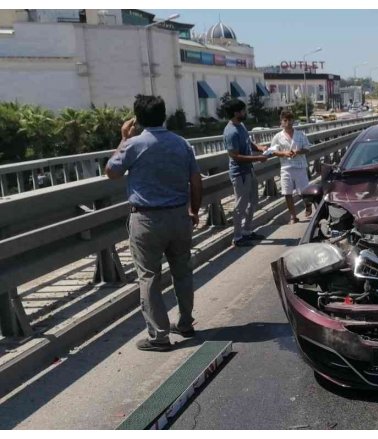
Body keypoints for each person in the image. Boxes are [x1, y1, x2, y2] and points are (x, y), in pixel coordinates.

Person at [105, 95, 202, 352]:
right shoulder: (182, 144)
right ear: (164, 115)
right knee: (182, 272)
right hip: (179, 216)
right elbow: (196, 181)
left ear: (137, 119)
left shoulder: (134, 144)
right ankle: (185, 323)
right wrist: (194, 210)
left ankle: (159, 336)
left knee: (149, 276)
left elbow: (112, 172)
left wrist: (124, 138)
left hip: (147, 219)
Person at [223, 99, 269, 247]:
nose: (245, 112)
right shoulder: (231, 132)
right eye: (243, 110)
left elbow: (248, 142)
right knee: (240, 206)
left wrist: (259, 148)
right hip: (239, 173)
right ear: (236, 113)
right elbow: (235, 156)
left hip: (249, 170)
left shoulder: (241, 126)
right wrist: (258, 158)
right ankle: (237, 237)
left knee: (254, 201)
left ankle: (247, 231)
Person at [265, 110, 313, 224]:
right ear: (281, 122)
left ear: (293, 121)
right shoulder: (277, 137)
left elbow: (308, 148)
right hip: (286, 167)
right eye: (285, 120)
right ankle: (293, 216)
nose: (288, 122)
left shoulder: (300, 134)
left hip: (300, 166)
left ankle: (308, 205)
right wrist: (284, 153)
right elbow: (272, 152)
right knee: (287, 192)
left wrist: (298, 151)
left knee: (304, 192)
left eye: (290, 120)